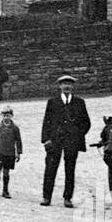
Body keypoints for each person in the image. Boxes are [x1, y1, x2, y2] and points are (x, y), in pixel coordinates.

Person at [40, 74, 91, 208]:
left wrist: (77, 135)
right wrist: (46, 139)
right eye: (64, 84)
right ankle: (46, 197)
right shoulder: (52, 102)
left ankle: (67, 198)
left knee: (70, 169)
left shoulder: (79, 102)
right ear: (59, 86)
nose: (67, 86)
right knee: (50, 168)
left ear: (73, 86)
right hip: (55, 141)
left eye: (69, 84)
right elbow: (47, 121)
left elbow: (86, 122)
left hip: (72, 142)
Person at [0, 105, 22, 198]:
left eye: (8, 115)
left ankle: (5, 190)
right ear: (1, 116)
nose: (6, 117)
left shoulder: (15, 128)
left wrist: (18, 153)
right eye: (4, 115)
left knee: (6, 172)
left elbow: (18, 141)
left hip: (9, 153)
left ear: (12, 116)